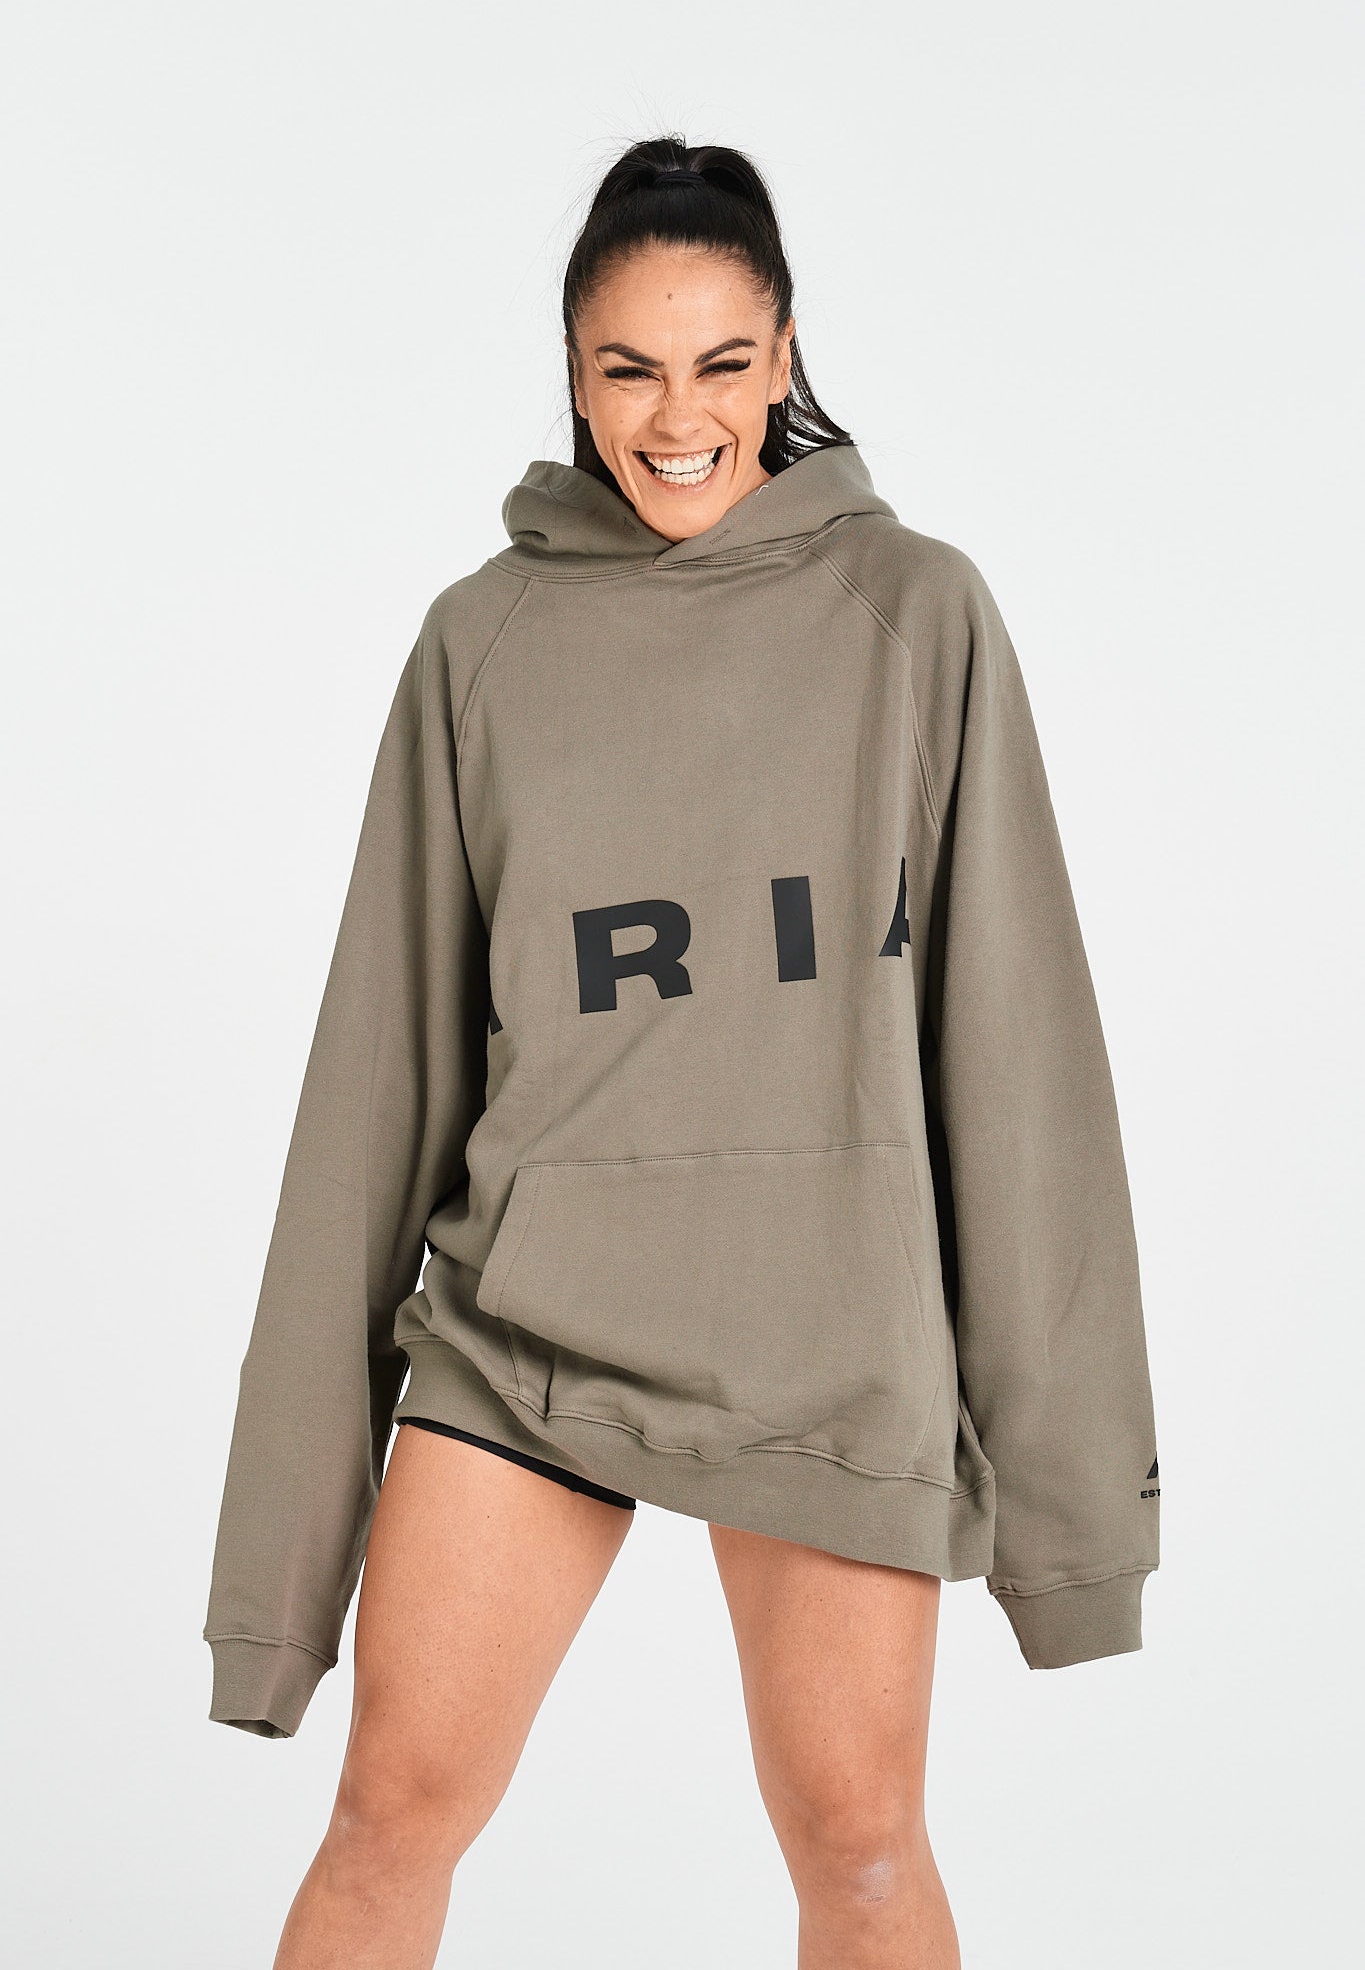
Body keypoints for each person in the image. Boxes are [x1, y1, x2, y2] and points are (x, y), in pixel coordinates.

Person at [203, 134, 1160, 1970]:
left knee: (857, 1849)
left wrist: (1072, 1520)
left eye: (722, 363)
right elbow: (377, 1088)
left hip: (828, 1340)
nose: (677, 418)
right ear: (571, 375)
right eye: (627, 368)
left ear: (785, 357)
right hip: (525, 1337)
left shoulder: (915, 615)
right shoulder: (482, 643)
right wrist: (271, 1594)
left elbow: (1018, 1060)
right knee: (390, 1817)